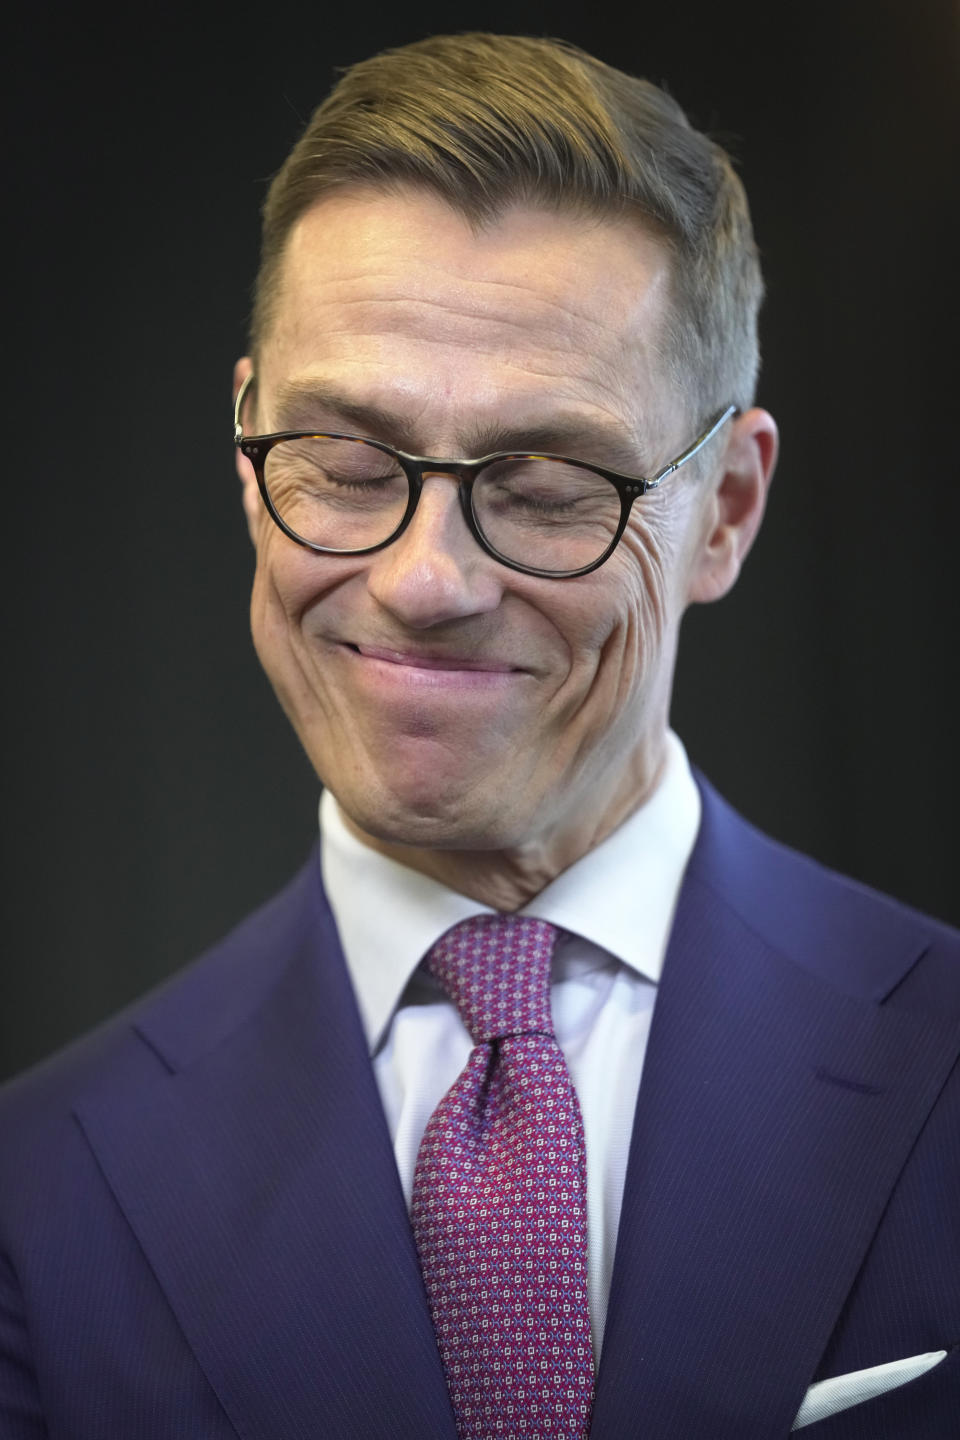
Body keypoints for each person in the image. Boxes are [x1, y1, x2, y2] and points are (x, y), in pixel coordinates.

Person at [0, 31, 957, 1440]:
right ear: (246, 452)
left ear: (730, 510)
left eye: (551, 483)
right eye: (341, 460)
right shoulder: (35, 1200)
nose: (427, 582)